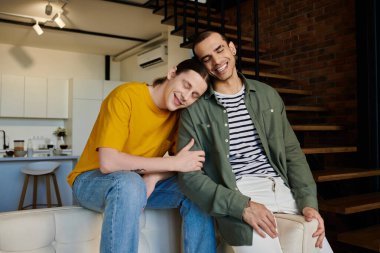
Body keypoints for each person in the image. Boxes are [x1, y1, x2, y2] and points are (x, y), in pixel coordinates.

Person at [177, 30, 334, 252]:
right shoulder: (195, 110)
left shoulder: (267, 95)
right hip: (238, 191)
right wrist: (241, 206)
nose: (216, 61)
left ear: (232, 48)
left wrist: (308, 202)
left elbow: (292, 153)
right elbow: (189, 177)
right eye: (206, 58)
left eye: (219, 49)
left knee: (318, 244)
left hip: (281, 189)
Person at [67, 58, 216, 253]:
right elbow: (108, 163)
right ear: (172, 74)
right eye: (185, 85)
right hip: (91, 180)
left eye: (194, 95)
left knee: (197, 189)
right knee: (129, 183)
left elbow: (182, 164)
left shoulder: (179, 116)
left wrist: (153, 177)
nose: (186, 96)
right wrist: (170, 164)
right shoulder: (125, 95)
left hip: (136, 182)